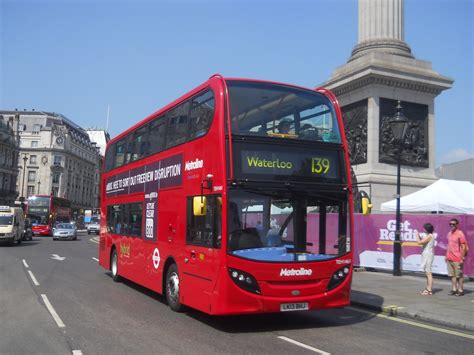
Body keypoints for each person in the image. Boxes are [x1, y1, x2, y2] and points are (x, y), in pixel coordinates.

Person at [445, 218, 467, 296]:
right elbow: (449, 245)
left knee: (459, 275)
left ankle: (460, 290)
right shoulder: (449, 233)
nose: (452, 225)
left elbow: (463, 246)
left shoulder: (460, 233)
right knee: (452, 275)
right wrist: (446, 255)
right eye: (450, 224)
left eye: (453, 224)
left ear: (457, 225)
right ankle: (454, 289)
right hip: (449, 257)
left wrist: (462, 258)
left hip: (457, 258)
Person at [415, 223, 435, 295]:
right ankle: (427, 289)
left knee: (428, 272)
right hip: (426, 254)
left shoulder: (430, 236)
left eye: (424, 228)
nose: (423, 230)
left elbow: (419, 242)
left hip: (428, 255)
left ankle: (429, 290)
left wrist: (417, 235)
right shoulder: (428, 236)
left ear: (427, 229)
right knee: (427, 272)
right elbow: (423, 242)